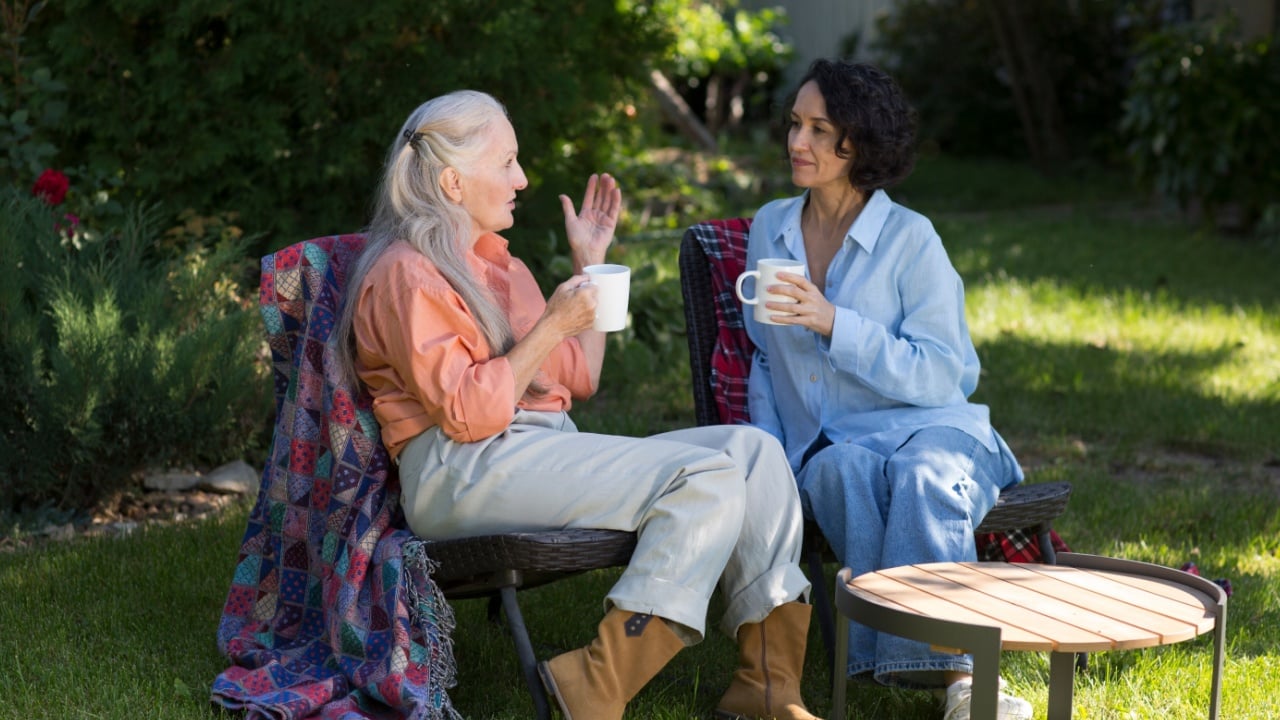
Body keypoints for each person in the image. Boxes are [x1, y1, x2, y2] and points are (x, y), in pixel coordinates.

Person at [332, 89, 823, 720]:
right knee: (703, 478)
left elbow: (579, 375)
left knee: (752, 452)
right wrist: (550, 326)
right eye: (507, 163)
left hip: (533, 447)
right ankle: (595, 688)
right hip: (461, 469)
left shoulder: (498, 267)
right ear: (452, 181)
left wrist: (590, 268)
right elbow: (466, 413)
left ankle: (767, 687)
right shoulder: (407, 275)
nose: (523, 178)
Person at [742, 59, 1033, 720]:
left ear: (862, 142)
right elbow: (763, 360)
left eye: (820, 129)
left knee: (923, 476)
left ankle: (962, 677)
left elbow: (946, 374)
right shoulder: (771, 227)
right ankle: (905, 666)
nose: (797, 142)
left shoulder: (910, 241)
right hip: (834, 442)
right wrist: (771, 457)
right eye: (795, 124)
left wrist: (834, 322)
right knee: (838, 472)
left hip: (933, 429)